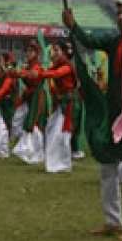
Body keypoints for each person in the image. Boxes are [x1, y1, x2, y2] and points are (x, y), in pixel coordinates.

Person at [64, 3, 122, 241]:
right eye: (120, 15)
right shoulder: (114, 40)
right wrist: (73, 25)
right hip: (113, 109)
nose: (121, 18)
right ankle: (113, 221)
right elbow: (89, 42)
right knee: (107, 164)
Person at [37, 39, 78, 174]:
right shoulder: (56, 65)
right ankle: (57, 161)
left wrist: (39, 73)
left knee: (62, 134)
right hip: (59, 104)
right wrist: (20, 74)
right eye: (53, 50)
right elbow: (48, 72)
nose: (53, 53)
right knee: (50, 130)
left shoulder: (67, 66)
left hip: (68, 105)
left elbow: (55, 74)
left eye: (56, 50)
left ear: (63, 52)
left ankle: (63, 163)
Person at [12, 41, 48, 165]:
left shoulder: (37, 66)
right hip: (29, 97)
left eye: (31, 51)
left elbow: (32, 75)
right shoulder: (28, 66)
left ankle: (35, 153)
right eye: (27, 51)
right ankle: (30, 151)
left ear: (36, 53)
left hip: (37, 97)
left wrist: (19, 73)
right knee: (23, 121)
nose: (28, 53)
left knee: (34, 123)